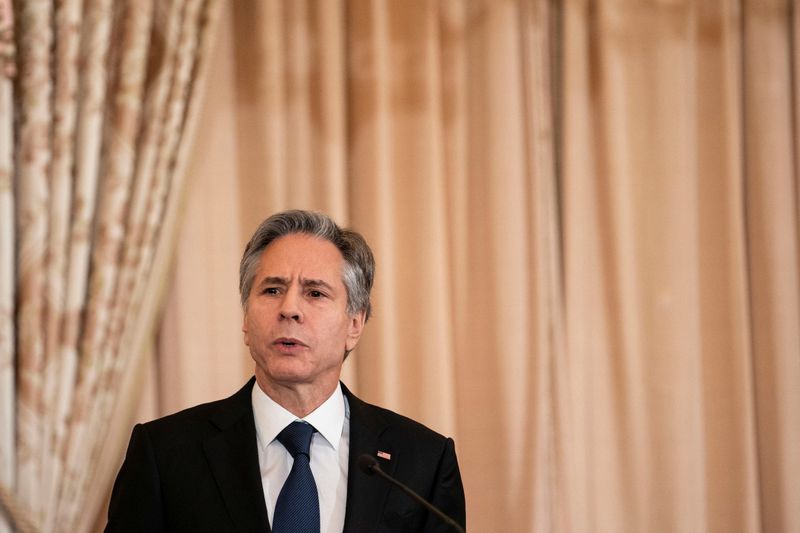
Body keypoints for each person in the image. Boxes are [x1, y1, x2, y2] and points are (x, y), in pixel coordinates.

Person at [105, 210, 466, 532]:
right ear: (246, 320)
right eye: (273, 289)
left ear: (354, 324)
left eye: (315, 294)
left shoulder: (422, 462)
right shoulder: (166, 455)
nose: (289, 308)